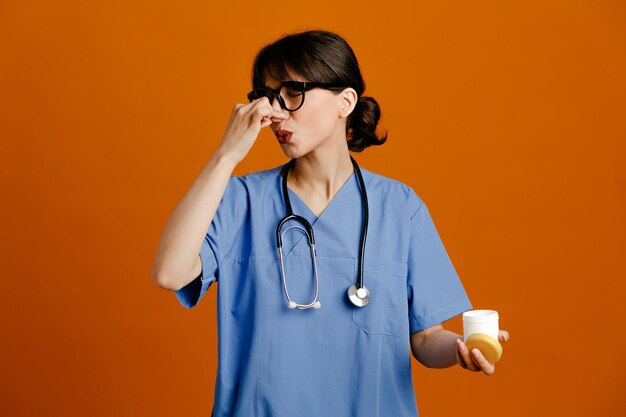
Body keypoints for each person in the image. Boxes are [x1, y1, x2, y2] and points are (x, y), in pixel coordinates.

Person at [152, 29, 510, 417]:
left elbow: (426, 338)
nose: (275, 111)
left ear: (346, 101)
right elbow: (170, 273)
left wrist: (462, 351)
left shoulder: (400, 207)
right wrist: (226, 155)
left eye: (291, 92)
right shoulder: (242, 199)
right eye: (266, 96)